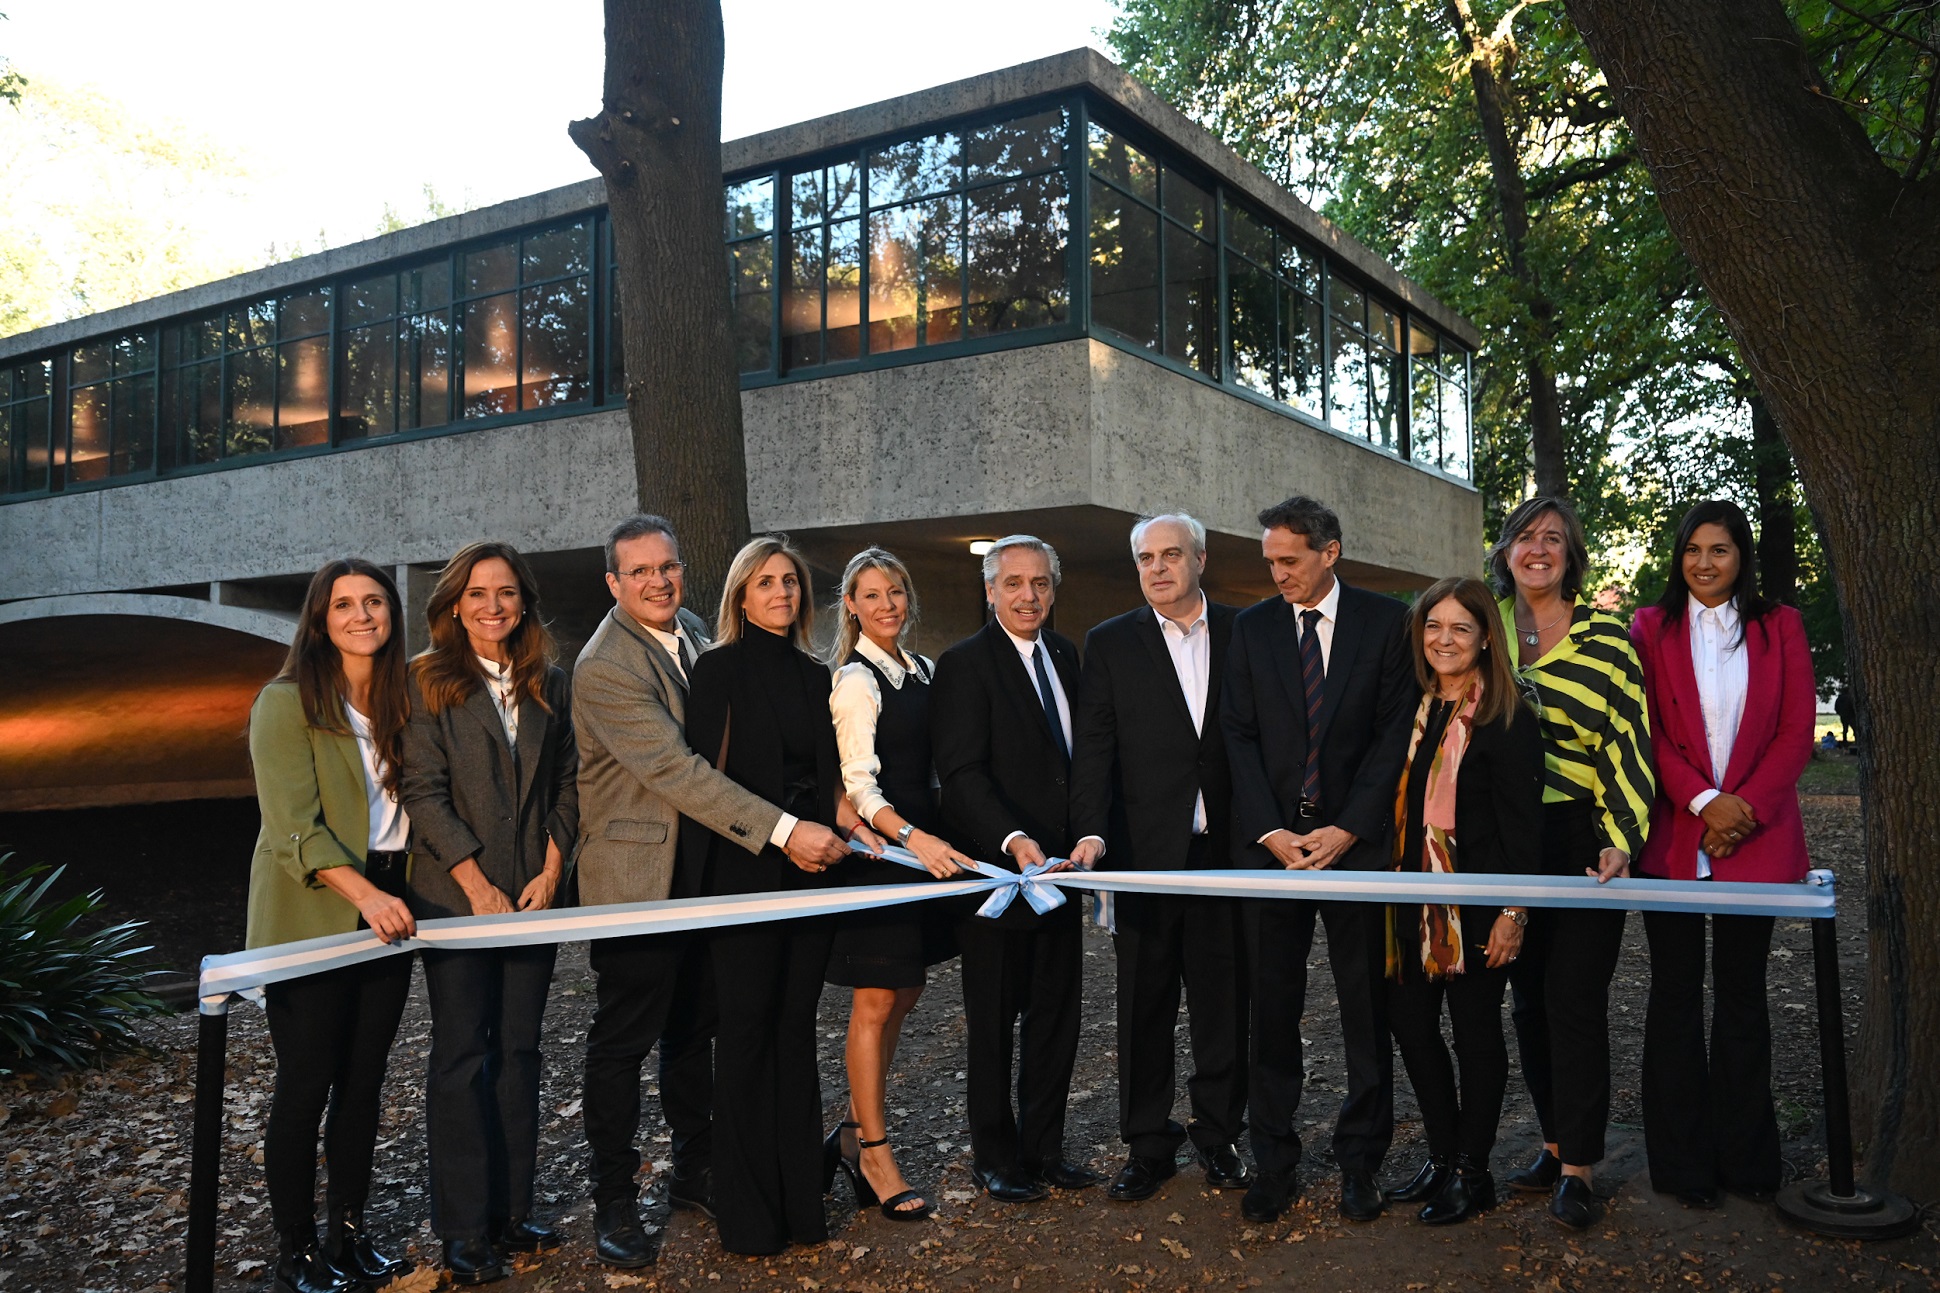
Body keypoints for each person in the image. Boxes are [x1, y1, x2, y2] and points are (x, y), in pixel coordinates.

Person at [573, 515, 850, 1268]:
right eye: (640, 572)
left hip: (708, 875)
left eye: (667, 566)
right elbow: (679, 771)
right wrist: (788, 830)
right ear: (614, 583)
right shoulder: (605, 665)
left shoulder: (695, 632)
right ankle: (616, 1199)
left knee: (694, 1031)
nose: (658, 581)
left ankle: (697, 1170)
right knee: (624, 1042)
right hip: (637, 880)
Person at [682, 535, 881, 1255]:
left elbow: (829, 777)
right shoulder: (717, 669)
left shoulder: (814, 673)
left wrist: (856, 826)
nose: (782, 593)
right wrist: (784, 832)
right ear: (741, 593)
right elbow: (706, 785)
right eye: (766, 582)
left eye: (791, 582)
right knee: (744, 1035)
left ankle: (803, 1208)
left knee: (795, 1034)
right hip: (744, 877)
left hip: (816, 874)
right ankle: (750, 1217)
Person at [1222, 495, 1416, 1224]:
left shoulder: (1385, 621)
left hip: (1355, 850)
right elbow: (1236, 734)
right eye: (1269, 561)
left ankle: (1360, 1162)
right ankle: (1273, 1162)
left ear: (1329, 552)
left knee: (1367, 1010)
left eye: (1290, 560)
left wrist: (1348, 829)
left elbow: (1395, 733)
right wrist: (1272, 831)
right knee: (1270, 1011)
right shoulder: (1252, 628)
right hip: (1273, 852)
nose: (1277, 574)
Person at [399, 542, 578, 1284]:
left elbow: (569, 780)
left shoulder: (548, 682)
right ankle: (465, 1228)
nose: (493, 606)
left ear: (524, 603)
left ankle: (511, 1210)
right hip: (454, 898)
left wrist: (552, 865)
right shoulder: (425, 681)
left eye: (506, 593)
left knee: (520, 1052)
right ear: (453, 604)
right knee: (462, 1057)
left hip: (531, 896)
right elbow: (422, 792)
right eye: (478, 594)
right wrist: (474, 882)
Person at [1630, 500, 1815, 1208]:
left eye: (1721, 549)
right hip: (1676, 838)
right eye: (1693, 550)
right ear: (1678, 558)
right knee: (1673, 997)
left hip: (1758, 839)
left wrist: (1742, 811)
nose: (1705, 562)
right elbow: (1645, 731)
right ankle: (1681, 1167)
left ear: (1742, 557)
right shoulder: (1650, 626)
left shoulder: (1779, 626)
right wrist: (1705, 804)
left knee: (1742, 998)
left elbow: (1797, 730)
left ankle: (1747, 1161)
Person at [244, 558, 417, 1293]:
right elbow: (293, 828)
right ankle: (295, 1249)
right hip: (314, 902)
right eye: (344, 603)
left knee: (365, 1079)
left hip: (393, 894)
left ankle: (349, 1230)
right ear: (319, 617)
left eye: (374, 601)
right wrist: (364, 896)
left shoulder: (407, 699)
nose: (361, 615)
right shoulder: (285, 702)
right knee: (306, 1081)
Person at [1068, 514, 1251, 1202]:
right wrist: (1090, 833)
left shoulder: (1246, 631)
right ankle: (1148, 1144)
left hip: (1225, 854)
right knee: (1144, 1005)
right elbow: (1095, 750)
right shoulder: (1110, 643)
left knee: (1222, 1002)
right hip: (1144, 857)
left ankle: (1221, 1134)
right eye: (1146, 557)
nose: (1158, 567)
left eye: (1171, 554)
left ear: (1200, 558)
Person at [1490, 495, 1655, 1231]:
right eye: (1526, 535)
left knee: (1575, 998)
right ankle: (1552, 1142)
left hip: (1582, 833)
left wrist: (1620, 835)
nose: (1538, 549)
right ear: (1505, 549)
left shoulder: (1608, 638)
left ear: (1571, 555)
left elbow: (1629, 738)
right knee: (1525, 998)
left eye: (1553, 538)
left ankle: (1581, 1166)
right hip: (1501, 834)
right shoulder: (1483, 622)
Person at [931, 534, 1102, 1204]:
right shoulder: (964, 664)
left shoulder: (1066, 654)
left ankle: (1046, 1148)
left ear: (1053, 589)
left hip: (1060, 875)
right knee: (995, 1023)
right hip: (998, 878)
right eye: (1014, 583)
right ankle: (997, 1157)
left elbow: (1080, 759)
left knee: (1058, 1017)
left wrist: (1084, 837)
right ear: (990, 590)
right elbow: (961, 773)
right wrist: (1014, 838)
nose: (1027, 595)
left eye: (1039, 583)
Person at [1381, 577, 1544, 1225]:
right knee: (1412, 1027)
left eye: (1459, 628)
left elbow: (1524, 828)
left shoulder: (1507, 716)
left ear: (1484, 640)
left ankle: (1474, 1170)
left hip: (1477, 908)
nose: (1443, 639)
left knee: (1476, 1035)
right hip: (1408, 903)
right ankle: (1443, 1154)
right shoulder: (1410, 711)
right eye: (1433, 626)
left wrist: (1514, 911)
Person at [824, 547, 977, 1221]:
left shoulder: (923, 669)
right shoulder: (856, 681)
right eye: (872, 594)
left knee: (907, 988)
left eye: (896, 591)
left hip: (925, 854)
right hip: (883, 854)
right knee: (876, 1000)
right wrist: (915, 839)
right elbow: (859, 787)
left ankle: (854, 1130)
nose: (887, 604)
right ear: (850, 605)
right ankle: (874, 1151)